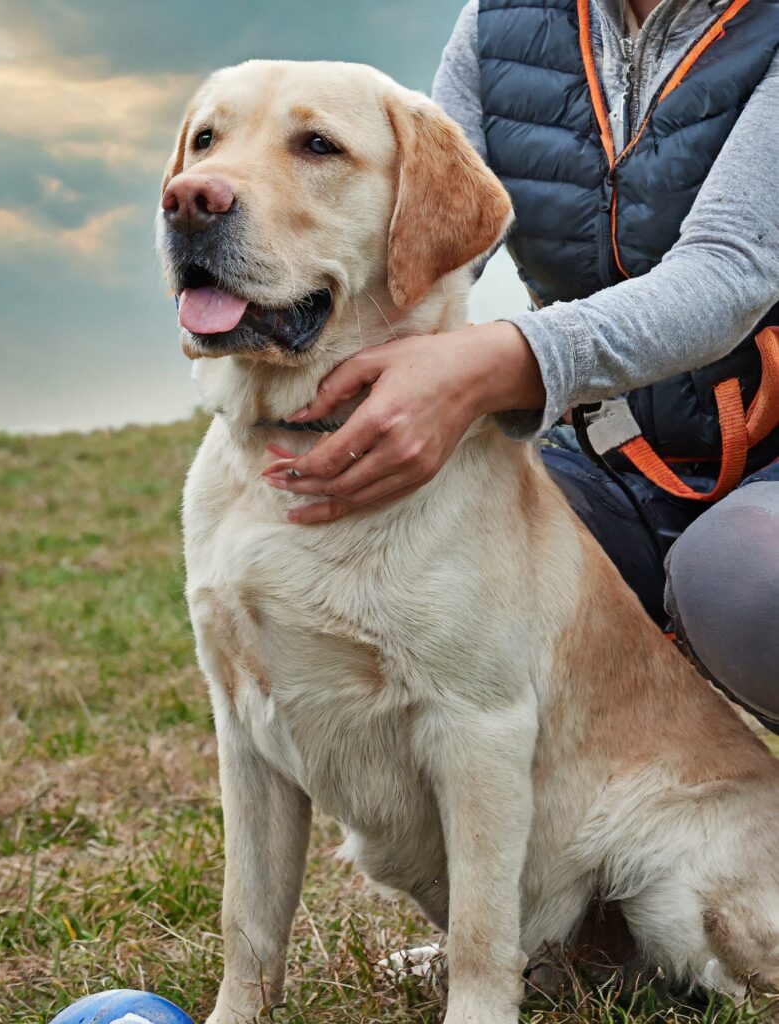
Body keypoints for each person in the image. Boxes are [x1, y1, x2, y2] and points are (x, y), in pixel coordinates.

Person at [262, 0, 779, 732]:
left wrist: (491, 363)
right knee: (454, 549)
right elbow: (428, 242)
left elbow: (730, 270)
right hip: (607, 452)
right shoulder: (496, 24)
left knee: (744, 580)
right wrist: (277, 296)